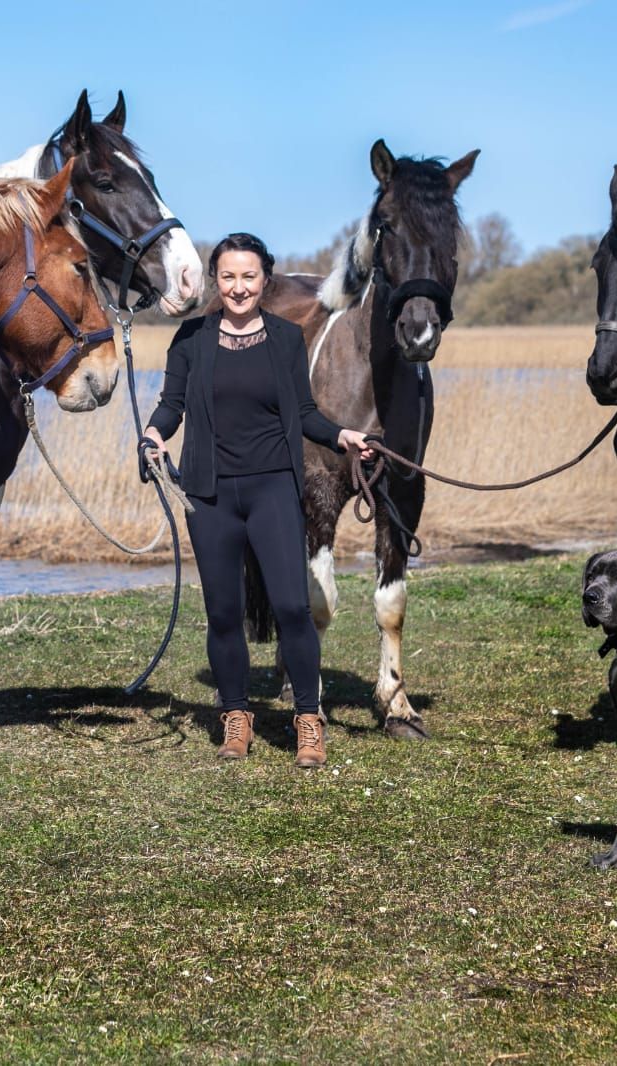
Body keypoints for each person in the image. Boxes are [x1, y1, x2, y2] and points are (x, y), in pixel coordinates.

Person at [141, 233, 370, 768]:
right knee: (224, 614)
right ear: (215, 280)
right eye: (228, 276)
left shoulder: (287, 340)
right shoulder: (190, 341)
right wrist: (153, 436)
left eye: (248, 277)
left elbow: (306, 413)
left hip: (272, 489)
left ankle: (309, 721)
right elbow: (170, 406)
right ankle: (237, 717)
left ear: (265, 279)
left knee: (292, 607)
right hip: (210, 493)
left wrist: (342, 435)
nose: (238, 287)